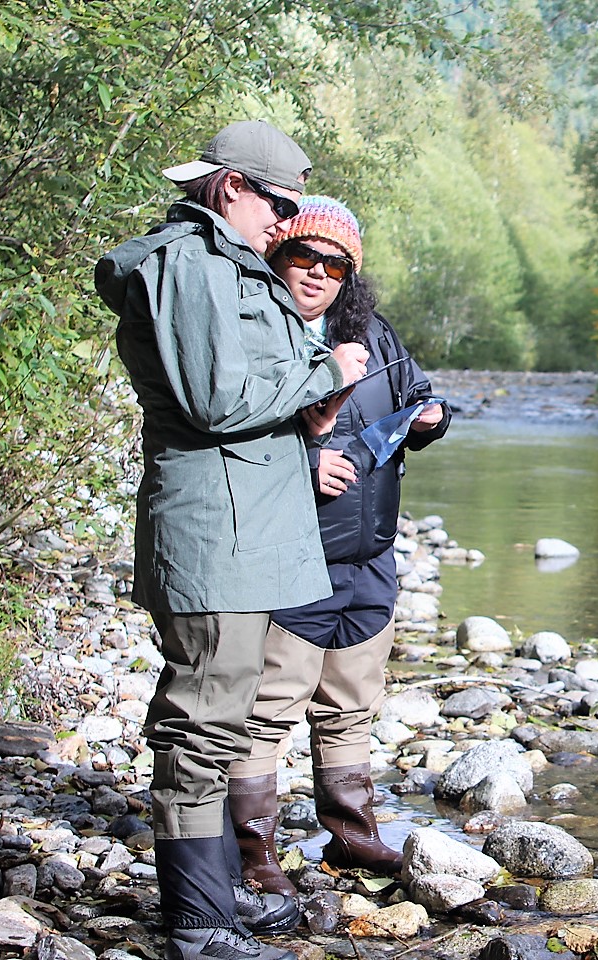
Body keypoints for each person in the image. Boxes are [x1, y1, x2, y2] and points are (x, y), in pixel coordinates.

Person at [95, 122, 369, 960]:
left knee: (220, 718)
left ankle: (215, 899)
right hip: (218, 533)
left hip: (240, 532)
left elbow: (240, 393)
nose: (283, 223)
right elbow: (217, 402)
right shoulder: (193, 263)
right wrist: (329, 374)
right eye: (278, 203)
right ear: (231, 188)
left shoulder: (219, 261)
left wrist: (307, 408)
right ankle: (198, 923)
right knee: (203, 723)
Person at [224, 196, 449, 895]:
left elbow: (417, 392)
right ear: (278, 258)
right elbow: (224, 431)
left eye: (334, 265)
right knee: (270, 706)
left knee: (351, 702)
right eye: (303, 257)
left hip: (370, 554)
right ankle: (251, 849)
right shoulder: (254, 328)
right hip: (293, 554)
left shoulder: (374, 334)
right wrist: (303, 462)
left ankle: (352, 835)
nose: (317, 273)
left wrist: (431, 419)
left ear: (351, 276)